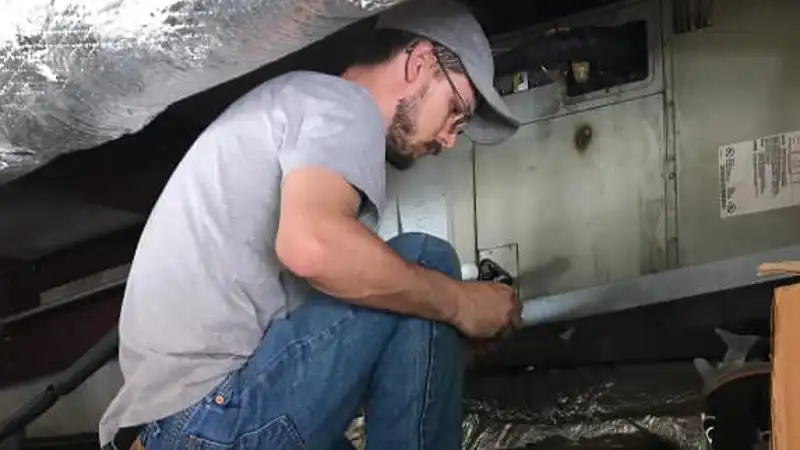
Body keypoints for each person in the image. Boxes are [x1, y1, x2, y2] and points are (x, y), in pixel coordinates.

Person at [98, 0, 522, 448]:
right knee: (428, 261)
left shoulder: (298, 109)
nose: (450, 139)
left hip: (181, 422)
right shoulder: (343, 106)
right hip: (212, 415)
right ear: (419, 63)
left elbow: (329, 328)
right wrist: (458, 304)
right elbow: (311, 246)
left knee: (410, 293)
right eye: (456, 111)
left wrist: (441, 336)